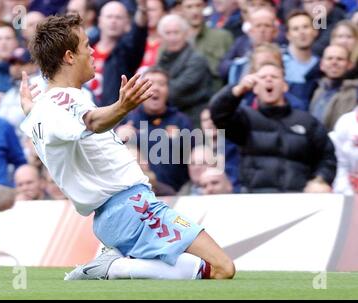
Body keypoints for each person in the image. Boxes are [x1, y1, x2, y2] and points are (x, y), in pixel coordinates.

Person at [20, 14, 235, 280]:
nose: (92, 51)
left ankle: (117, 262)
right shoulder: (65, 100)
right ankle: (114, 266)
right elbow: (92, 121)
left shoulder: (43, 108)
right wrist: (122, 107)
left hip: (119, 214)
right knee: (223, 269)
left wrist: (29, 107)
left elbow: (55, 122)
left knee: (200, 271)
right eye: (86, 45)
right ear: (69, 56)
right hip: (133, 209)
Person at [209, 63, 337, 193]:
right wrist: (237, 90)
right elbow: (218, 114)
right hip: (256, 200)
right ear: (255, 88)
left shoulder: (307, 122)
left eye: (274, 77)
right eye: (263, 77)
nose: (269, 79)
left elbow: (327, 157)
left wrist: (320, 180)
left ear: (285, 86)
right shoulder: (245, 119)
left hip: (297, 200)